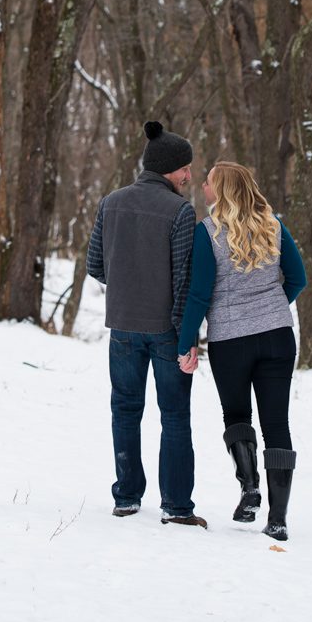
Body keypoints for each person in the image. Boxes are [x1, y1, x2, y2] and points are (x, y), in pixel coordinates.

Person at [86, 121, 207, 528]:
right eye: (185, 168)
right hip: (165, 329)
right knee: (173, 415)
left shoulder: (111, 202)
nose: (190, 175)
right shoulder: (180, 211)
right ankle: (176, 505)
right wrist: (184, 337)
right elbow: (182, 279)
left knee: (125, 409)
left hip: (122, 325)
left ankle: (127, 497)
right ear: (170, 169)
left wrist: (126, 288)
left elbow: (94, 266)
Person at [177, 161, 306, 540]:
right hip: (277, 336)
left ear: (225, 189)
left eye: (210, 181)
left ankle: (250, 489)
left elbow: (199, 294)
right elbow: (298, 278)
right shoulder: (274, 225)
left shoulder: (209, 232)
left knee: (236, 414)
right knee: (276, 423)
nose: (203, 185)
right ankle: (278, 519)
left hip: (231, 340)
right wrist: (272, 308)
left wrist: (187, 342)